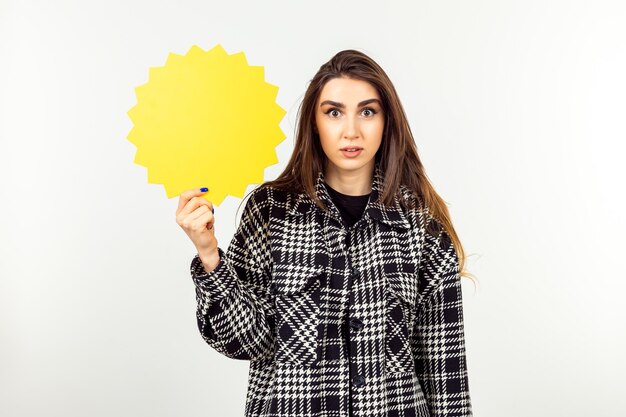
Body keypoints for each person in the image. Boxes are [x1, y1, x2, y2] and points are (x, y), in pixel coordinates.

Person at [176, 49, 473, 417]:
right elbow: (242, 340)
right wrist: (209, 254)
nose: (351, 130)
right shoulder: (271, 211)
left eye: (368, 111)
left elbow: (446, 375)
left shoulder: (421, 224)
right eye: (334, 112)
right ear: (314, 123)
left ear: (387, 121)